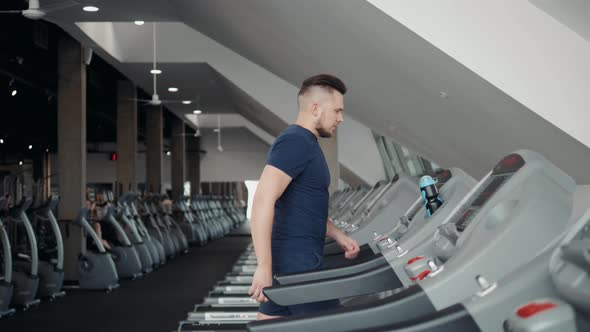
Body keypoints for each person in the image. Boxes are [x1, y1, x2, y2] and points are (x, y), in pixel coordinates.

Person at [249, 74, 360, 320]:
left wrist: (338, 235)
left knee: (270, 325)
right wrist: (264, 266)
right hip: (297, 267)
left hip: (294, 261)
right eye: (338, 111)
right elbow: (262, 201)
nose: (341, 119)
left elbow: (305, 207)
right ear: (315, 108)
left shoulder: (307, 144)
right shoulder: (295, 142)